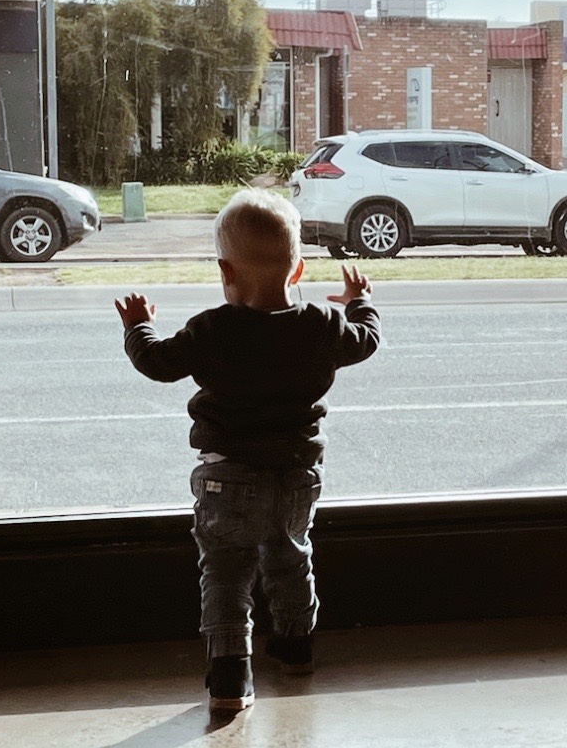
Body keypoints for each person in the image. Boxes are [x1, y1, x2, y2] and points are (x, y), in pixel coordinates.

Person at [117, 187, 380, 713]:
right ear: (299, 271)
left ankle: (229, 679)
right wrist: (359, 302)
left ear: (225, 271)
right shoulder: (321, 327)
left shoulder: (212, 330)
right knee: (290, 560)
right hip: (297, 477)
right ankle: (296, 648)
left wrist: (137, 327)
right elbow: (366, 340)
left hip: (228, 478)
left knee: (225, 573)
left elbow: (158, 363)